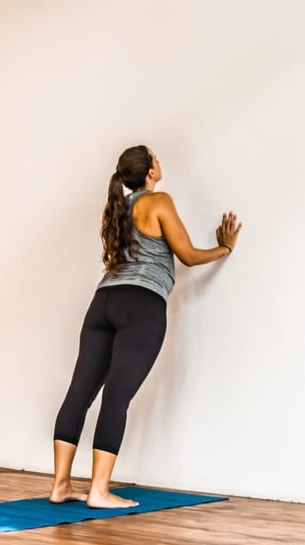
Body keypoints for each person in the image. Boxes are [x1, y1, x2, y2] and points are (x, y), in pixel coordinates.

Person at [50, 145, 242, 508]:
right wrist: (224, 249)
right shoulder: (159, 201)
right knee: (116, 397)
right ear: (150, 172)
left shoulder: (117, 207)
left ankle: (60, 486)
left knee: (80, 392)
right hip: (141, 305)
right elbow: (186, 255)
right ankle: (99, 491)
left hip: (102, 303)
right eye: (156, 158)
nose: (160, 161)